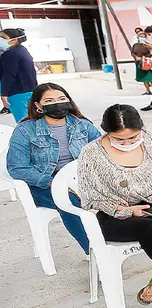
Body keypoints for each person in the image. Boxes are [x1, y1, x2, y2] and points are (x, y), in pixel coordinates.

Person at [77, 104, 152, 307]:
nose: (127, 143)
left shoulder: (151, 143)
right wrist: (126, 210)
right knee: (148, 228)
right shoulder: (91, 154)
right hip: (113, 216)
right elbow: (89, 197)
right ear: (107, 132)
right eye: (119, 139)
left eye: (132, 138)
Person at [5, 83, 102, 254]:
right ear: (38, 105)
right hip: (44, 185)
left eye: (61, 99)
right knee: (68, 201)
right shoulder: (25, 130)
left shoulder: (82, 124)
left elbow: (103, 150)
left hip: (80, 180)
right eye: (49, 100)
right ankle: (95, 252)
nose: (57, 103)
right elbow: (17, 167)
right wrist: (55, 183)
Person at [0, 28, 38, 121]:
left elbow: (9, 75)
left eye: (2, 37)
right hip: (29, 90)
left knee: (23, 122)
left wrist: (4, 94)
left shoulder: (10, 54)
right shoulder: (21, 50)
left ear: (14, 40)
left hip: (17, 93)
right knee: (32, 119)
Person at [131, 28, 152, 96]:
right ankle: (147, 91)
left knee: (151, 77)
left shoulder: (148, 45)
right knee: (144, 77)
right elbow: (132, 53)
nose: (142, 38)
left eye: (144, 36)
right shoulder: (135, 45)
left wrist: (146, 57)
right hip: (139, 63)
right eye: (141, 36)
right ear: (138, 37)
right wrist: (136, 57)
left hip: (147, 62)